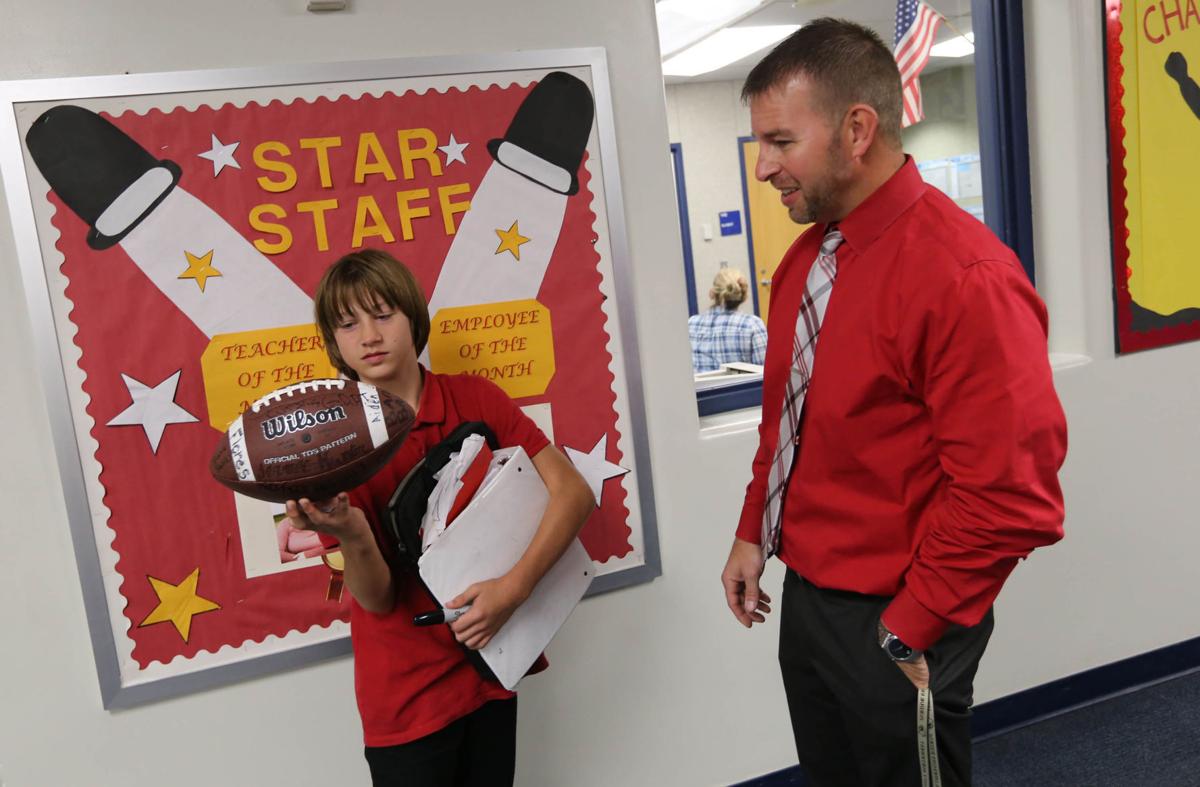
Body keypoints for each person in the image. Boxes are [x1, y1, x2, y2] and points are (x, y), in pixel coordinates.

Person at [719, 19, 1067, 787]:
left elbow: (1013, 497)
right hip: (810, 600)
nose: (764, 168)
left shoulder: (964, 275)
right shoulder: (806, 261)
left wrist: (908, 628)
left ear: (857, 129)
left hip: (900, 610)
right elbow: (790, 422)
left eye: (780, 141)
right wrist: (755, 530)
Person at [284, 248, 594, 787]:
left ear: (413, 317)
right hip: (405, 696)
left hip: (491, 660)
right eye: (348, 324)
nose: (370, 336)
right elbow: (378, 599)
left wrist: (513, 589)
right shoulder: (337, 445)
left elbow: (573, 491)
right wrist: (350, 532)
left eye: (383, 314)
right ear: (334, 343)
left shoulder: (474, 397)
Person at [688, 268, 769, 372]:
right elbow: (766, 374)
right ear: (743, 294)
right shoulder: (752, 325)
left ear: (713, 292)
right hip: (741, 388)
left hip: (701, 389)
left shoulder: (691, 324)